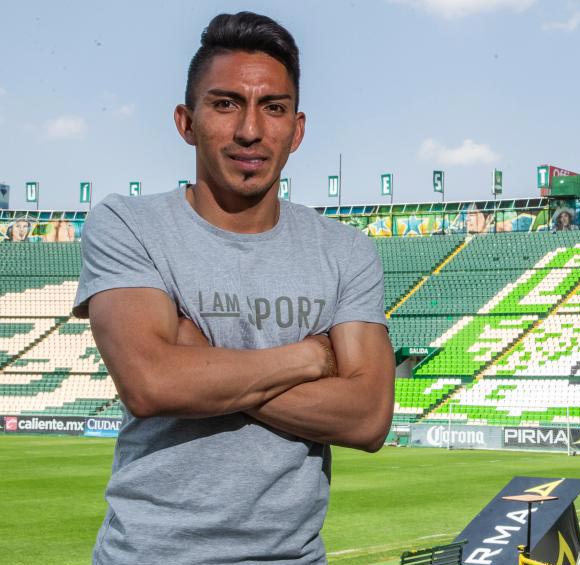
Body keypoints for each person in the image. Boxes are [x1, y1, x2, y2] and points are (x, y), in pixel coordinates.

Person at [72, 12, 394, 564]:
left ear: (297, 128)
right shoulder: (128, 224)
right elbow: (151, 384)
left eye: (273, 108)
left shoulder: (345, 250)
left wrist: (199, 363)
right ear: (186, 121)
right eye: (225, 104)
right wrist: (308, 357)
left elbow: (367, 418)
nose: (250, 130)